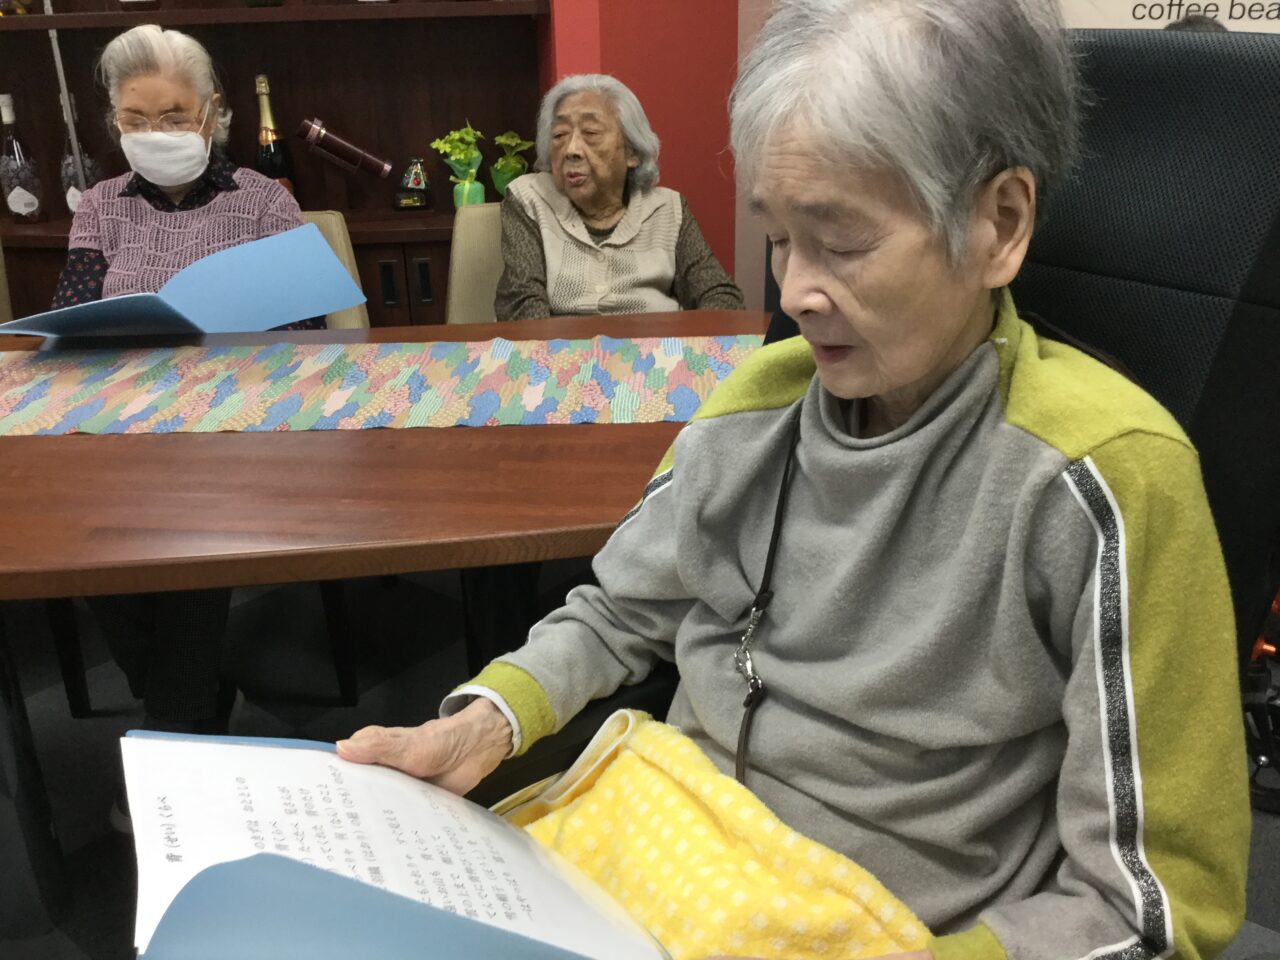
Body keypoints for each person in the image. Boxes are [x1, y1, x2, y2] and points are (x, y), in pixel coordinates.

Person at [339, 1, 1250, 957]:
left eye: (842, 242)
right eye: (778, 237)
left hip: (884, 926)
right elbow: (620, 611)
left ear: (999, 224)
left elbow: (1151, 905)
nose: (794, 293)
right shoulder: (753, 405)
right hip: (662, 855)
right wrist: (485, 722)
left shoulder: (1105, 479)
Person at [52, 24, 320, 827]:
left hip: (230, 427)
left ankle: (173, 733)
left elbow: (307, 330)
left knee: (189, 524)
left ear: (211, 113)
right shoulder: (100, 206)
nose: (155, 132)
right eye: (135, 119)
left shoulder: (264, 199)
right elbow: (74, 321)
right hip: (124, 425)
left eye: (172, 115)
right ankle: (195, 696)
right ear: (114, 124)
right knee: (82, 538)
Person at [495, 73, 744, 321]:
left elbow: (720, 295)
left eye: (590, 132)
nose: (571, 150)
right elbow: (521, 305)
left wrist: (688, 343)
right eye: (559, 135)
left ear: (632, 153)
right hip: (558, 345)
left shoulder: (668, 209)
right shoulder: (529, 199)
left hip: (655, 343)